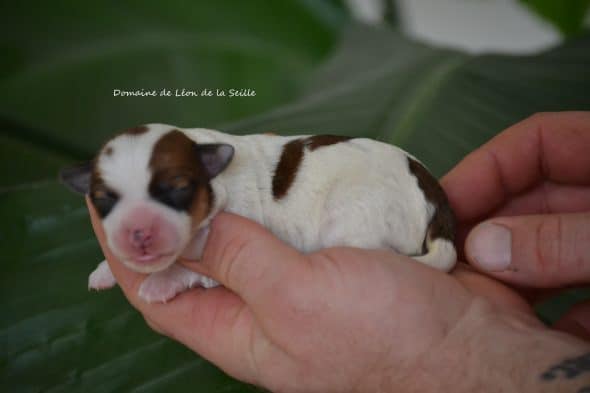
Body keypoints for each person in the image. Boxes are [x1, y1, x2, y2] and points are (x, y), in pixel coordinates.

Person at [88, 111, 590, 392]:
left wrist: (186, 271)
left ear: (212, 167)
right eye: (113, 203)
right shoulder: (196, 172)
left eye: (171, 192)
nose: (139, 228)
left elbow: (212, 253)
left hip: (374, 193)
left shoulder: (236, 188)